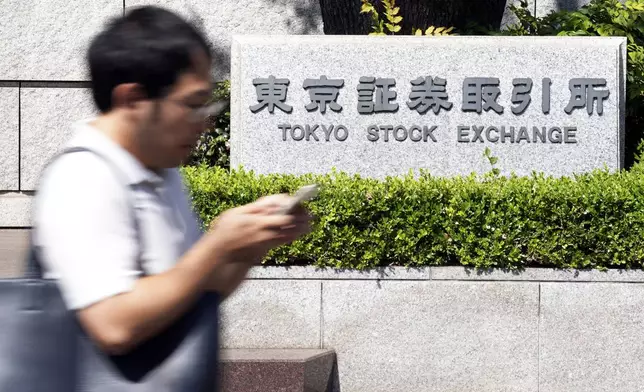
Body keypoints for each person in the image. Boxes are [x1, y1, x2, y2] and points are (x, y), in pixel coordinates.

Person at [32, 5, 311, 361]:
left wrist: (249, 246)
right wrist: (215, 247)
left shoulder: (162, 171)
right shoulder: (84, 178)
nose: (204, 123)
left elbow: (194, 292)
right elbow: (113, 324)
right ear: (133, 100)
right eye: (193, 105)